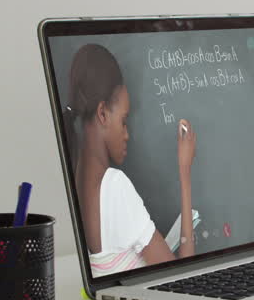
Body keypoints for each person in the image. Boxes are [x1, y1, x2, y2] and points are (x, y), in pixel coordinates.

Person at [63, 43, 197, 277]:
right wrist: (185, 170)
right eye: (124, 121)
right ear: (103, 113)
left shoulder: (77, 178)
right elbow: (182, 276)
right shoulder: (115, 187)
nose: (127, 134)